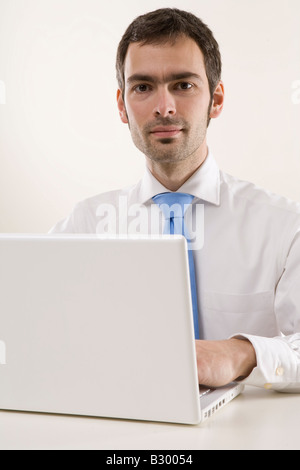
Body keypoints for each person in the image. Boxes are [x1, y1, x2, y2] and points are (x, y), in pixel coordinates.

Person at [50, 8, 300, 392]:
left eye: (183, 85)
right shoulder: (85, 227)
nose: (163, 107)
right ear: (122, 105)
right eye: (143, 87)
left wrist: (241, 353)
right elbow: (28, 328)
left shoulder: (284, 227)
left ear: (216, 99)